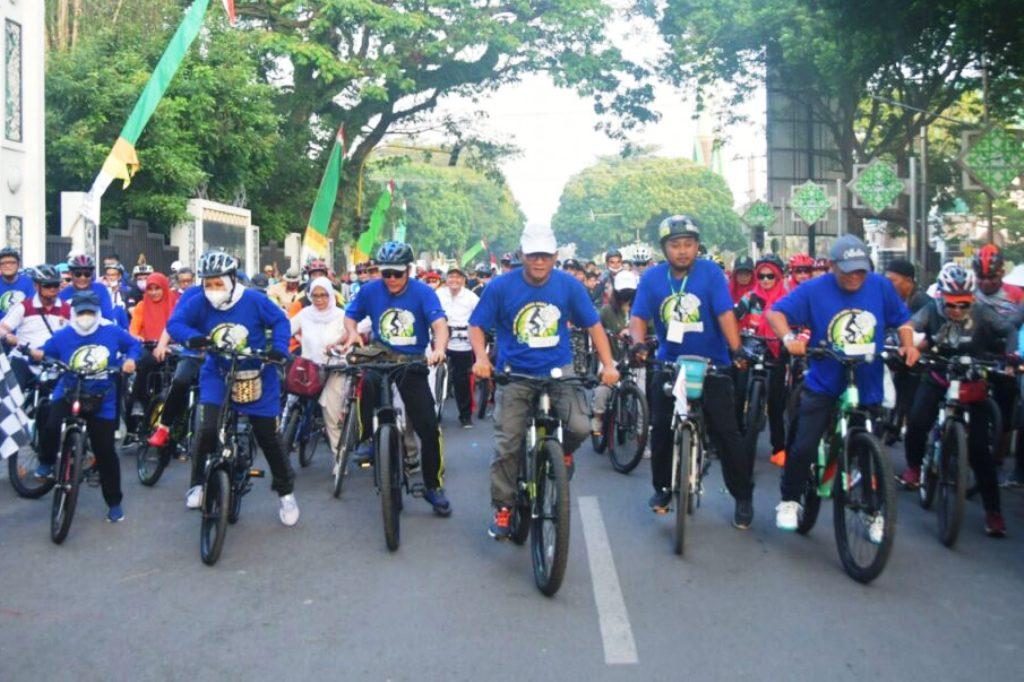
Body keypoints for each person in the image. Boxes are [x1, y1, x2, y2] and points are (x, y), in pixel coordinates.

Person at [471, 225, 618, 539]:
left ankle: (562, 453)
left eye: (546, 256)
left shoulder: (569, 286)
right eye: (533, 255)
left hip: (558, 371)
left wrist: (608, 365)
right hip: (515, 374)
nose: (539, 262)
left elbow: (593, 326)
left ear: (554, 257)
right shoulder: (500, 286)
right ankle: (504, 508)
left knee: (580, 426)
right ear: (523, 255)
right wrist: (482, 359)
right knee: (507, 444)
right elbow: (477, 326)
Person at [766, 235, 919, 534]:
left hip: (867, 380)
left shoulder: (880, 286)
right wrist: (789, 339)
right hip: (825, 380)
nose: (854, 277)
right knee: (805, 443)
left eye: (860, 270)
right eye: (847, 270)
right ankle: (790, 499)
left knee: (870, 450)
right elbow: (776, 313)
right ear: (833, 266)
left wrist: (908, 345)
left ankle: (875, 511)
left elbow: (903, 320)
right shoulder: (814, 289)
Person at [629, 215, 755, 529]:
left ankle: (742, 496)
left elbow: (725, 313)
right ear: (664, 248)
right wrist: (638, 344)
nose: (682, 251)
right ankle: (661, 490)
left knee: (728, 434)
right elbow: (638, 317)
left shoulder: (711, 273)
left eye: (688, 244)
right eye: (675, 245)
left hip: (711, 364)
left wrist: (736, 349)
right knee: (659, 426)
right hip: (670, 365)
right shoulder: (652, 279)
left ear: (697, 246)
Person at [166, 250, 300, 526]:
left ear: (231, 279)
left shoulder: (253, 299)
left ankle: (286, 494)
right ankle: (198, 486)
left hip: (256, 372)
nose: (213, 289)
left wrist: (278, 349)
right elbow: (176, 323)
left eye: (219, 283)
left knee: (267, 437)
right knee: (207, 429)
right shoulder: (198, 301)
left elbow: (279, 321)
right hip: (217, 372)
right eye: (208, 283)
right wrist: (193, 338)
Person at [901, 264, 1014, 537]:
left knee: (979, 451)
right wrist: (908, 347)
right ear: (941, 296)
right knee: (917, 421)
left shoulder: (984, 313)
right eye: (952, 305)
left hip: (971, 381)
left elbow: (1009, 331)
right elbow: (908, 326)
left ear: (972, 299)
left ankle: (993, 513)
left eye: (964, 305)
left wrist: (1011, 358)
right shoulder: (930, 310)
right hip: (938, 376)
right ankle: (915, 468)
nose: (957, 311)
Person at [341, 241, 452, 516]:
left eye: (397, 274)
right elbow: (350, 316)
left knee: (428, 426)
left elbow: (439, 326)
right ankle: (367, 440)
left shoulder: (424, 293)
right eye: (385, 273)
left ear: (409, 271)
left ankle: (432, 486)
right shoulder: (369, 290)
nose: (391, 279)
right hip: (381, 355)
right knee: (366, 383)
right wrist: (352, 332)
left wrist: (438, 349)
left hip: (412, 361)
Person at [31, 290, 140, 523]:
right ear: (74, 313)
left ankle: (114, 503)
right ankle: (47, 462)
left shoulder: (111, 331)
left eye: (91, 312)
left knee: (106, 452)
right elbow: (44, 352)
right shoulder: (63, 335)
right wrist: (33, 354)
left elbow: (133, 346)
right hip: (69, 391)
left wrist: (130, 360)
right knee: (50, 425)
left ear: (98, 312)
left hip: (104, 398)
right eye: (82, 312)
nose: (86, 317)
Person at [733, 254, 788, 466]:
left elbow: (799, 321)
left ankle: (779, 447)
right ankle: (737, 439)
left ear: (778, 277)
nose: (765, 280)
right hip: (751, 346)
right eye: (762, 276)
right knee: (738, 391)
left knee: (776, 401)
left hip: (778, 350)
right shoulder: (751, 297)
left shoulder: (787, 297)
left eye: (770, 276)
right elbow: (734, 315)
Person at [291, 276, 349, 455]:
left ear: (331, 295)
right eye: (315, 295)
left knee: (331, 414)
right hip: (308, 370)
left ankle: (338, 459)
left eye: (324, 295)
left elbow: (350, 336)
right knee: (289, 399)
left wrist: (340, 347)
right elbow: (286, 329)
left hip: (334, 369)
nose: (319, 299)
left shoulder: (341, 315)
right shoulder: (305, 314)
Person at [1, 265, 71, 388]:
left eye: (56, 285)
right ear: (36, 286)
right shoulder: (24, 307)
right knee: (12, 397)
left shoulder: (67, 309)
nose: (53, 289)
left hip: (53, 363)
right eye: (47, 285)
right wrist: (8, 336)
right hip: (24, 360)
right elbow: (2, 328)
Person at [127, 272, 178, 421]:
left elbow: (180, 325)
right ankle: (139, 402)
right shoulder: (141, 306)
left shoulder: (175, 303)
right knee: (144, 362)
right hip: (148, 347)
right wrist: (137, 337)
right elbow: (133, 330)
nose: (154, 292)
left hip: (173, 349)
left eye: (157, 288)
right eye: (150, 289)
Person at [591, 269, 637, 436]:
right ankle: (597, 417)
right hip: (611, 357)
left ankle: (641, 435)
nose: (626, 295)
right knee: (604, 389)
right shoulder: (606, 311)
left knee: (644, 394)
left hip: (636, 359)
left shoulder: (640, 309)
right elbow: (595, 329)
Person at [437, 265, 479, 428]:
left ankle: (465, 416)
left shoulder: (471, 297)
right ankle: (434, 411)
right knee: (433, 376)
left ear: (463, 280)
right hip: (441, 340)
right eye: (451, 277)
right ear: (446, 280)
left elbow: (480, 316)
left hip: (462, 342)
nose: (454, 280)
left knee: (461, 380)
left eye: (458, 277)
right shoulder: (438, 294)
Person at [59, 253, 115, 320]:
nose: (83, 278)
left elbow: (107, 317)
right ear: (71, 274)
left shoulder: (101, 290)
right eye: (78, 274)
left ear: (92, 275)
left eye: (87, 274)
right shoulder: (63, 294)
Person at [0, 247, 36, 313]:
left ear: (18, 265)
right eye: (3, 263)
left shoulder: (29, 282)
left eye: (12, 262)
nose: (8, 265)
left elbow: (32, 308)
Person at [101, 262, 131, 330]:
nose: (110, 277)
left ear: (119, 276)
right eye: (108, 275)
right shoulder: (102, 293)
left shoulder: (127, 291)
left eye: (113, 275)